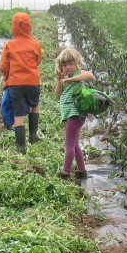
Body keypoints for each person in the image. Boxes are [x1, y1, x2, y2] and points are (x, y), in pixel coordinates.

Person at [0, 12, 42, 153]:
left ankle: (21, 146)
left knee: (18, 114)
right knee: (34, 105)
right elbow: (38, 62)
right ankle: (33, 136)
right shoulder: (35, 44)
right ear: (29, 26)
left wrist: (9, 76)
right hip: (32, 81)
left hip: (15, 83)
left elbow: (3, 67)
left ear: (14, 27)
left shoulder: (9, 45)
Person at [54, 47, 94, 180]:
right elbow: (57, 95)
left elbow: (90, 75)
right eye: (64, 64)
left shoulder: (78, 75)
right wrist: (60, 80)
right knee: (75, 144)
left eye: (71, 63)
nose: (68, 67)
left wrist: (70, 80)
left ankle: (66, 172)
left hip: (75, 114)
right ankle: (81, 170)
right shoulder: (64, 78)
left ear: (77, 63)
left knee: (69, 144)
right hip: (70, 114)